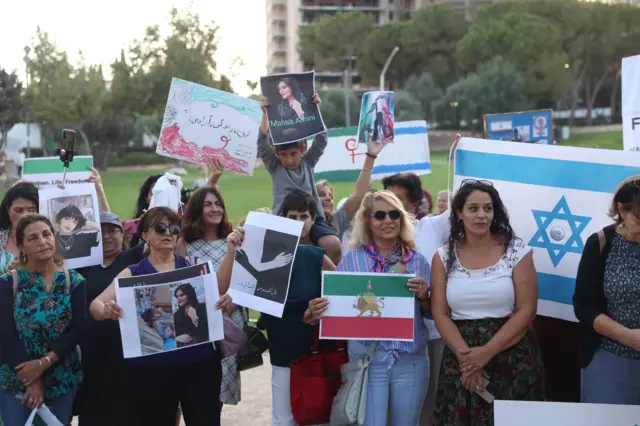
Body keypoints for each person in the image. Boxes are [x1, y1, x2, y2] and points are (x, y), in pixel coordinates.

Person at [89, 207, 232, 426]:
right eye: (160, 228)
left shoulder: (194, 266)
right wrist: (106, 309)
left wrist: (224, 300)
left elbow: (219, 294)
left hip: (200, 365)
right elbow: (95, 306)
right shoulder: (133, 272)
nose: (168, 233)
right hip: (152, 371)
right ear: (144, 235)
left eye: (174, 229)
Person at [309, 190, 431, 426]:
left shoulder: (418, 261)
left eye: (394, 214)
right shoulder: (351, 260)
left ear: (402, 219)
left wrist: (425, 296)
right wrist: (318, 309)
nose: (388, 220)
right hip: (368, 359)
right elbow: (338, 309)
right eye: (380, 215)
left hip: (410, 360)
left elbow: (432, 314)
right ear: (367, 220)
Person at [218, 191, 337, 426]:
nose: (299, 223)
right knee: (283, 418)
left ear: (313, 220)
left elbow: (341, 294)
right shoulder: (258, 254)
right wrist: (232, 251)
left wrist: (319, 309)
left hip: (316, 349)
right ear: (282, 220)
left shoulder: (316, 256)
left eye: (304, 216)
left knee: (317, 414)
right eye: (292, 216)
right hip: (282, 348)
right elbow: (228, 300)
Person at [431, 179, 544, 425]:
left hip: (511, 356)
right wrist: (468, 362)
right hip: (461, 358)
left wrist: (485, 354)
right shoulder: (443, 256)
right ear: (459, 213)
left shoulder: (516, 251)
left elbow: (526, 311)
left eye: (488, 208)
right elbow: (440, 313)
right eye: (473, 208)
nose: (481, 215)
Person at [0, 214, 87, 425]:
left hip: (61, 378)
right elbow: (4, 333)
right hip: (16, 381)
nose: (42, 241)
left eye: (46, 234)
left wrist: (44, 363)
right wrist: (31, 379)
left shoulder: (73, 281)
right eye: (33, 238)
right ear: (21, 246)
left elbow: (79, 329)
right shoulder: (9, 283)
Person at [574, 175, 640, 404]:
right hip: (609, 361)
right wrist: (629, 337)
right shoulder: (601, 243)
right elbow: (583, 306)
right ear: (622, 210)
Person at [74, 212, 144, 426]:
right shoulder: (83, 266)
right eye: (100, 232)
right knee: (94, 412)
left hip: (127, 354)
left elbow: (161, 231)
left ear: (123, 235)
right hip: (92, 353)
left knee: (128, 410)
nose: (107, 237)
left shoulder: (131, 260)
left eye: (113, 231)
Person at [177, 185, 244, 408]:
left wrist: (231, 304)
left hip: (228, 323)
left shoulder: (235, 242)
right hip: (197, 326)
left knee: (216, 394)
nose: (215, 209)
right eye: (208, 204)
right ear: (197, 209)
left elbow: (246, 281)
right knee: (194, 392)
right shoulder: (184, 246)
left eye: (218, 204)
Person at [257, 94, 343, 264]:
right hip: (284, 219)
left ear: (302, 148)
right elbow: (262, 145)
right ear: (277, 153)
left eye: (293, 154)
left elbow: (321, 140)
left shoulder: (308, 162)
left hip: (313, 218)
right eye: (284, 155)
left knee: (333, 244)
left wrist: (315, 109)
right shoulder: (275, 166)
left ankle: (324, 280)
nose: (289, 160)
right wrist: (265, 115)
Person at [0, 181, 38, 273]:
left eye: (31, 210)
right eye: (18, 210)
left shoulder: (48, 240)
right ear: (8, 210)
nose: (24, 216)